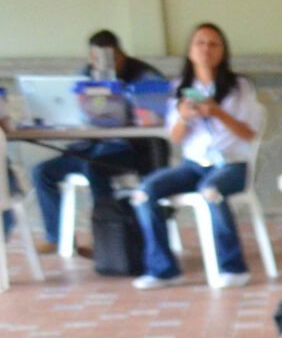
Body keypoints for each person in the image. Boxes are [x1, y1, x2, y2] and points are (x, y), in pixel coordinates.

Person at [135, 22, 264, 289]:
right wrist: (183, 117)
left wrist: (218, 113)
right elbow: (175, 137)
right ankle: (163, 269)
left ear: (223, 51)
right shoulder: (179, 88)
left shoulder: (240, 87)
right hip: (192, 165)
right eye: (200, 43)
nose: (206, 49)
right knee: (144, 192)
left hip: (231, 165)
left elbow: (248, 133)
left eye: (213, 44)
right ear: (191, 51)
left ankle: (233, 267)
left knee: (210, 191)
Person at [31, 28, 163, 254]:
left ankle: (105, 237)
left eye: (108, 58)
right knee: (42, 172)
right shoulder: (84, 76)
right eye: (94, 58)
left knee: (95, 167)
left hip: (131, 148)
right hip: (88, 146)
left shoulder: (145, 76)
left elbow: (157, 114)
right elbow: (69, 108)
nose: (100, 64)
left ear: (120, 54)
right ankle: (57, 236)